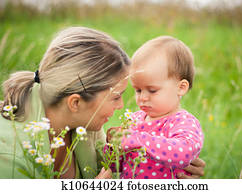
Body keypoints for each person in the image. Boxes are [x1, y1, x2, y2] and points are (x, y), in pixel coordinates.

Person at [0, 27, 204, 179]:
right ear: (75, 103)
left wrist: (176, 165)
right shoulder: (9, 157)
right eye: (116, 97)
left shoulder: (84, 124)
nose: (123, 106)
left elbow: (118, 163)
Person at [108, 36, 204, 179]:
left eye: (152, 90)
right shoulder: (134, 120)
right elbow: (117, 166)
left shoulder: (183, 121)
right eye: (138, 90)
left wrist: (136, 140)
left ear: (181, 87)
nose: (142, 98)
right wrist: (113, 148)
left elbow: (184, 153)